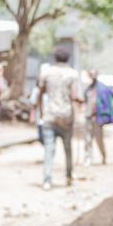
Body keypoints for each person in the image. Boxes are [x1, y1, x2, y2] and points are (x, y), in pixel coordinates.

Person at [36, 46, 80, 190]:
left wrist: (40, 112)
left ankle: (47, 179)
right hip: (66, 116)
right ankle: (68, 176)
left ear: (54, 57)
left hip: (50, 115)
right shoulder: (72, 74)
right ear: (68, 58)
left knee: (49, 149)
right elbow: (74, 96)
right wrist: (77, 115)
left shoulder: (46, 72)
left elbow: (40, 93)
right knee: (67, 148)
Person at [83, 69, 113, 166]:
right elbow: (85, 101)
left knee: (99, 139)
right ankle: (88, 159)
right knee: (87, 139)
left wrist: (109, 109)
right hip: (89, 117)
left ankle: (103, 156)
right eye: (91, 74)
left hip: (98, 118)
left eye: (94, 74)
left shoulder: (103, 88)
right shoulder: (88, 89)